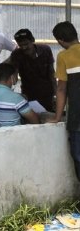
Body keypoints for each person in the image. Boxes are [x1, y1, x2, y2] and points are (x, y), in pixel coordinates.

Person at [50, 21, 80, 180]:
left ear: (60, 40)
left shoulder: (64, 56)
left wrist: (57, 117)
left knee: (78, 157)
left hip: (77, 118)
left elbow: (61, 89)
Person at [9, 29, 56, 112]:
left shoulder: (45, 50)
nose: (24, 47)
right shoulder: (16, 54)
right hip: (28, 94)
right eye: (20, 45)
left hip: (47, 94)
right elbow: (14, 76)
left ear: (33, 40)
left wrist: (56, 94)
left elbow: (52, 73)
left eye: (26, 44)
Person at [0, 62, 39, 128]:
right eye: (17, 75)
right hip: (11, 136)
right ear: (12, 77)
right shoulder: (16, 99)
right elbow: (34, 120)